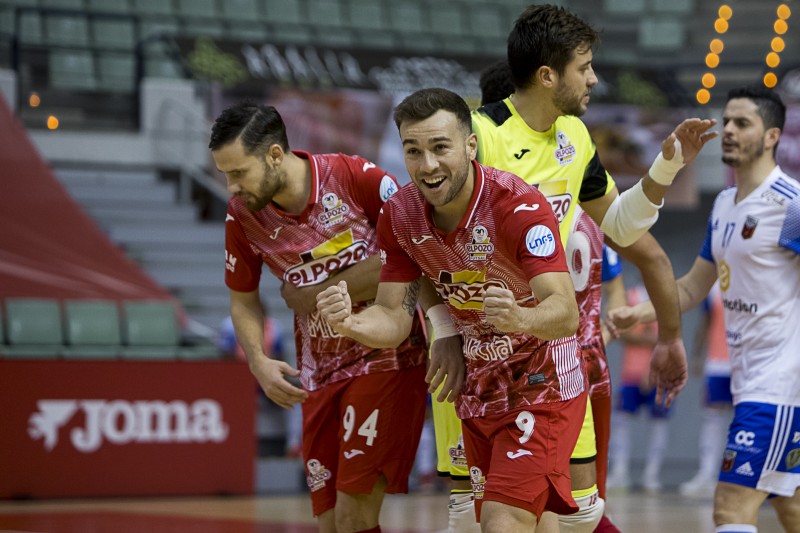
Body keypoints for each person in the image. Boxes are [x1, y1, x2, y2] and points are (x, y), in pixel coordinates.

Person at [469, 5, 717, 531]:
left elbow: (622, 228)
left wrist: (666, 166)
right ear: (547, 75)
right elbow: (422, 232)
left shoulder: (575, 138)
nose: (594, 78)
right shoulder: (480, 137)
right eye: (584, 66)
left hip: (552, 350)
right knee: (500, 515)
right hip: (484, 354)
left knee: (554, 513)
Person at [318, 88, 587, 532]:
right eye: (413, 150)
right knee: (532, 521)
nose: (428, 165)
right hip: (478, 387)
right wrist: (350, 321)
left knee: (503, 521)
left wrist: (520, 317)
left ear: (470, 145)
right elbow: (393, 320)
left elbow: (565, 311)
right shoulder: (401, 215)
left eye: (440, 147)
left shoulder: (517, 206)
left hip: (543, 382)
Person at [209, 102, 431, 533]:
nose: (232, 186)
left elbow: (409, 251)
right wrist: (256, 359)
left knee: (354, 516)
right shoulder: (242, 217)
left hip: (386, 355)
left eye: (239, 173)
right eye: (226, 175)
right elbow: (243, 300)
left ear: (275, 154)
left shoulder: (353, 177)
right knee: (329, 522)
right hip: (319, 372)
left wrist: (313, 293)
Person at [609, 86, 800, 533]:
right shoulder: (723, 205)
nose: (728, 130)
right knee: (789, 504)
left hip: (780, 383)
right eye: (726, 121)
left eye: (742, 123)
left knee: (730, 509)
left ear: (772, 136)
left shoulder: (791, 202)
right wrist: (636, 315)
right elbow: (694, 286)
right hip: (748, 376)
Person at [606, 284, 672, 494]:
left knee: (659, 422)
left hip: (660, 373)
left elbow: (668, 336)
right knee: (621, 421)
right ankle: (620, 472)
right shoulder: (629, 295)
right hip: (631, 373)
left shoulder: (665, 295)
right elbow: (621, 333)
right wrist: (647, 338)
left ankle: (652, 475)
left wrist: (651, 366)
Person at [679, 282, 733, 497]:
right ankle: (707, 474)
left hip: (749, 364)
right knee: (712, 419)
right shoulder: (715, 288)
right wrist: (698, 355)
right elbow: (705, 323)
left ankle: (740, 476)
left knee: (747, 419)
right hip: (717, 364)